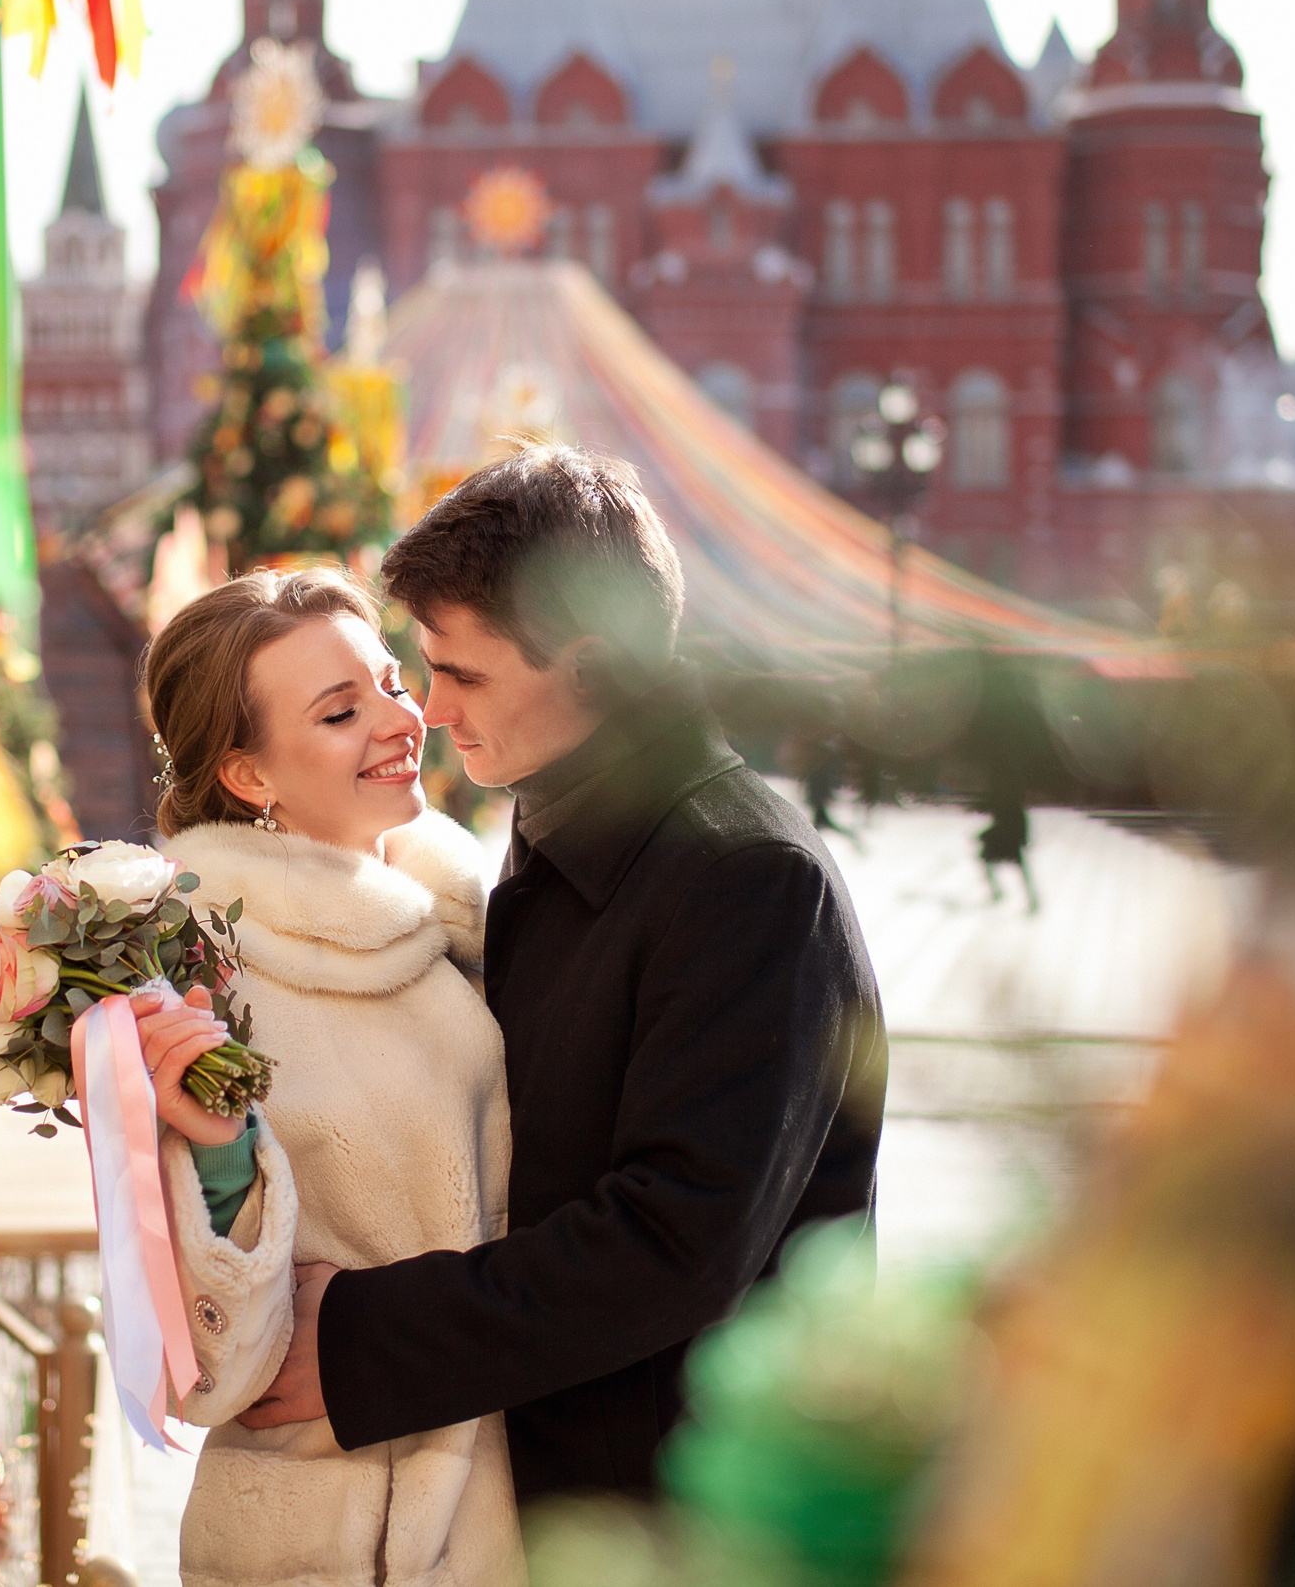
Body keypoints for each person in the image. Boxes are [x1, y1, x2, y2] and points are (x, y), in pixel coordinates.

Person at [236, 447, 889, 1506]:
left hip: (692, 1511)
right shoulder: (564, 826)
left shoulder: (745, 877)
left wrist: (360, 1340)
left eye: (465, 673)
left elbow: (669, 1241)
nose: (434, 711)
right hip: (571, 1482)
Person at [135, 567, 522, 1587]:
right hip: (327, 1536)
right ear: (249, 776)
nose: (401, 719)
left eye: (392, 683)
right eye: (341, 711)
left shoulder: (464, 921)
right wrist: (219, 1148)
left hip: (501, 1508)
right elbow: (205, 1368)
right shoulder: (208, 979)